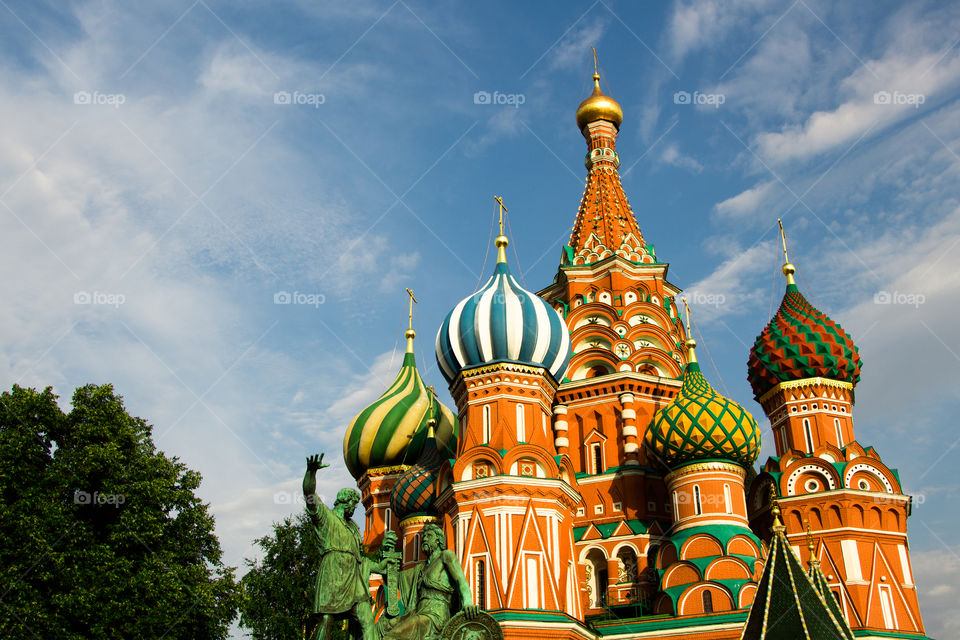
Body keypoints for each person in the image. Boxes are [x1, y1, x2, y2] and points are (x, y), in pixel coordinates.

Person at [303, 452, 395, 640]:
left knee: (366, 618)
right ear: (346, 502)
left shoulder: (353, 527)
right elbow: (309, 496)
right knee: (326, 620)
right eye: (354, 505)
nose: (355, 509)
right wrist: (311, 473)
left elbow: (362, 560)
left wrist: (380, 561)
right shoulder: (326, 518)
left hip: (353, 577)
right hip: (333, 571)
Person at [378, 523, 478, 640]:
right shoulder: (420, 569)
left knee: (393, 636)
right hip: (418, 612)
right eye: (423, 536)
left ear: (439, 540)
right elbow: (392, 579)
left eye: (429, 536)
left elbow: (461, 581)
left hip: (435, 616)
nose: (424, 539)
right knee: (383, 626)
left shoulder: (445, 556)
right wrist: (383, 552)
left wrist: (468, 602)